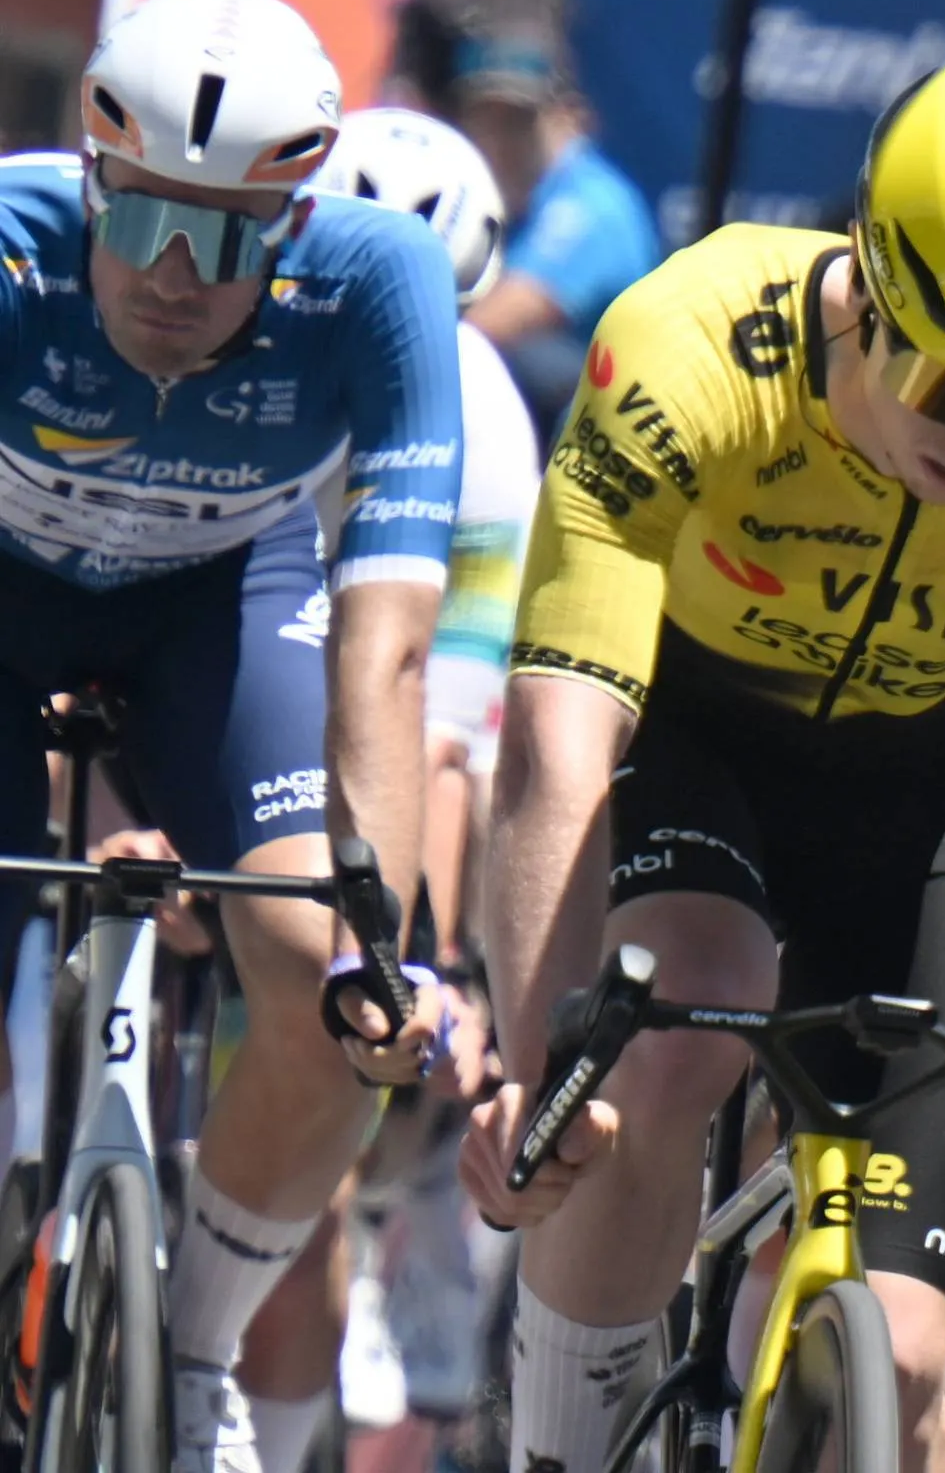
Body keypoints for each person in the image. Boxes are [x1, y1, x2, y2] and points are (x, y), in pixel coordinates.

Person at [457, 48, 945, 1473]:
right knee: (663, 1046)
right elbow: (557, 747)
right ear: (865, 288)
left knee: (907, 1356)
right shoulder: (694, 345)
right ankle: (564, 1444)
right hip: (698, 736)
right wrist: (541, 1072)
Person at [0, 0, 468, 1473]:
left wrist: (375, 943)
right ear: (90, 183)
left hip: (219, 598)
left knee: (325, 996)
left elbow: (388, 647)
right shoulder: (7, 249)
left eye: (227, 239)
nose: (175, 274)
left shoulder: (380, 280)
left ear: (298, 223)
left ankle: (193, 1354)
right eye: (142, 219)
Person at [271, 108, 539, 1451]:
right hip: (275, 682)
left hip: (414, 727)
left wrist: (423, 966)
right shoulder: (260, 352)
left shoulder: (484, 423)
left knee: (468, 806)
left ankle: (410, 1164)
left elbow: (440, 726)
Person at [445, 28, 660, 435]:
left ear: (569, 118)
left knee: (519, 359)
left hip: (613, 440)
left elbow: (496, 323)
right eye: (486, 122)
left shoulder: (593, 201)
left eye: (518, 123)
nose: (499, 143)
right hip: (554, 432)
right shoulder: (507, 198)